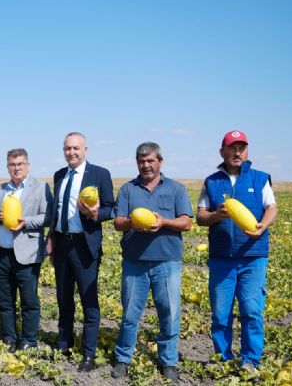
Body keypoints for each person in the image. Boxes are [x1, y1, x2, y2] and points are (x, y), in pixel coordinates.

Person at [110, 142, 192, 383]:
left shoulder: (176, 189)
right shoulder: (128, 189)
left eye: (150, 161)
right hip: (134, 262)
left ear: (160, 162)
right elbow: (118, 222)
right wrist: (131, 223)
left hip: (167, 262)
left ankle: (168, 362)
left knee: (169, 313)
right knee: (130, 314)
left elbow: (186, 223)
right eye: (142, 161)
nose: (146, 165)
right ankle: (123, 359)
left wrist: (164, 222)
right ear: (137, 163)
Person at [196, 130, 277, 373]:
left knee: (252, 312)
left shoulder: (260, 178)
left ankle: (250, 361)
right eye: (232, 147)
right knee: (220, 314)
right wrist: (215, 216)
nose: (237, 152)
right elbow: (200, 216)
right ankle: (224, 358)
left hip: (253, 257)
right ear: (223, 152)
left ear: (247, 151)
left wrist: (264, 225)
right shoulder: (211, 181)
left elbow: (272, 207)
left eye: (242, 147)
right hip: (222, 259)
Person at [46, 132, 114, 371]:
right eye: (67, 148)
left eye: (76, 148)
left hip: (85, 246)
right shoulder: (59, 175)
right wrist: (51, 237)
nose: (71, 152)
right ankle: (64, 344)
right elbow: (57, 211)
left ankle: (88, 353)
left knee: (88, 300)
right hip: (63, 245)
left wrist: (96, 214)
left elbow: (110, 208)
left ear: (85, 150)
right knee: (63, 298)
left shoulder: (99, 174)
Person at [0, 148, 52, 352]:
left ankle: (29, 339)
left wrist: (26, 222)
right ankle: (10, 338)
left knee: (29, 300)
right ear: (7, 167)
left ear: (27, 165)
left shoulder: (40, 188)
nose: (16, 168)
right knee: (4, 299)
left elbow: (48, 217)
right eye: (12, 165)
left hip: (27, 254)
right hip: (3, 252)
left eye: (20, 164)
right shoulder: (0, 189)